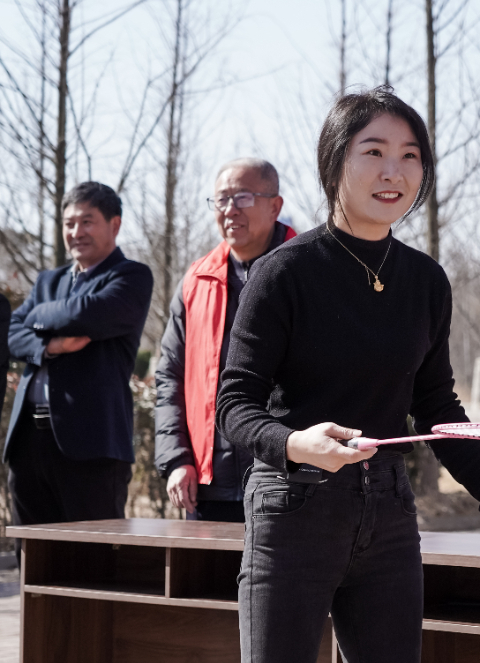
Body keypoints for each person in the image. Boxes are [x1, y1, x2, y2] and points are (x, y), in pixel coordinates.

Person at [216, 86, 480, 663]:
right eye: (373, 151)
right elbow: (234, 405)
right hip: (293, 511)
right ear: (335, 161)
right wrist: (295, 443)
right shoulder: (282, 274)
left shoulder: (426, 281)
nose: (393, 171)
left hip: (390, 514)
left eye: (410, 156)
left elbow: (438, 407)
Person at [154, 158, 296, 523]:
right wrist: (176, 459)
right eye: (222, 200)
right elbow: (170, 375)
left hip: (288, 481)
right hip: (206, 486)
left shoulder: (309, 270)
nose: (230, 210)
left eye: (243, 198)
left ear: (275, 205)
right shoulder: (196, 280)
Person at [5, 182, 154, 526]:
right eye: (69, 223)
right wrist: (48, 346)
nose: (76, 232)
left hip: (90, 446)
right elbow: (10, 332)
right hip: (28, 442)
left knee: (90, 561)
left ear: (114, 224)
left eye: (87, 221)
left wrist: (35, 315)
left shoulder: (131, 276)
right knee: (30, 556)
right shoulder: (47, 281)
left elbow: (86, 314)